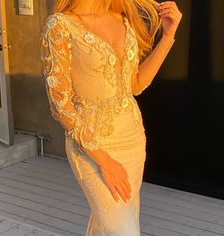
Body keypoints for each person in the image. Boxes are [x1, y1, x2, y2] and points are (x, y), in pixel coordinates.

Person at [40, 0, 182, 235]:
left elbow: (135, 85)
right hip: (92, 148)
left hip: (133, 140)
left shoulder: (121, 18)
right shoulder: (60, 25)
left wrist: (168, 36)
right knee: (123, 230)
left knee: (107, 225)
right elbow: (60, 105)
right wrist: (104, 161)